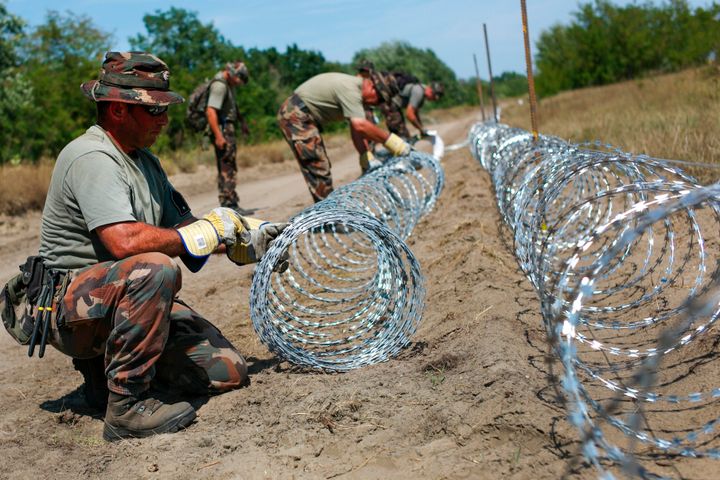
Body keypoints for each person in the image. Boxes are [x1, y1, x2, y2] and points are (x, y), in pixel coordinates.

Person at [0, 52, 287, 441]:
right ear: (118, 110)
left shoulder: (146, 161)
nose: (164, 120)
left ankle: (103, 380)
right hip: (70, 308)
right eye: (154, 112)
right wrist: (203, 234)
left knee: (227, 371)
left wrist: (239, 234)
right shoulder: (92, 156)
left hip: (120, 297)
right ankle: (126, 406)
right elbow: (124, 242)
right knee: (155, 267)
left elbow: (184, 229)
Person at [277, 69, 412, 202]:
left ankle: (328, 212)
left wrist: (365, 155)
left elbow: (356, 129)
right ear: (372, 87)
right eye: (379, 99)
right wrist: (395, 144)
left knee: (320, 165)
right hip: (295, 115)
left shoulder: (354, 89)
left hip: (301, 114)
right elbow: (360, 125)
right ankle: (328, 216)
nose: (375, 104)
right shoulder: (351, 90)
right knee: (318, 165)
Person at [206, 61, 253, 214]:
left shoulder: (229, 85)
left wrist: (242, 122)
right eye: (240, 79)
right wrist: (219, 136)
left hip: (228, 127)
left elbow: (233, 106)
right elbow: (211, 111)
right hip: (223, 130)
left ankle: (230, 202)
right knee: (227, 166)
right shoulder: (219, 86)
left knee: (229, 165)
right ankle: (229, 205)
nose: (239, 83)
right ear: (233, 74)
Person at [382, 74, 444, 141]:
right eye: (433, 96)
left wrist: (422, 128)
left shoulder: (422, 95)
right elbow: (409, 114)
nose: (432, 99)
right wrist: (421, 129)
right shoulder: (419, 92)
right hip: (390, 105)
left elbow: (415, 113)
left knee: (404, 137)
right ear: (430, 89)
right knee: (402, 137)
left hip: (394, 107)